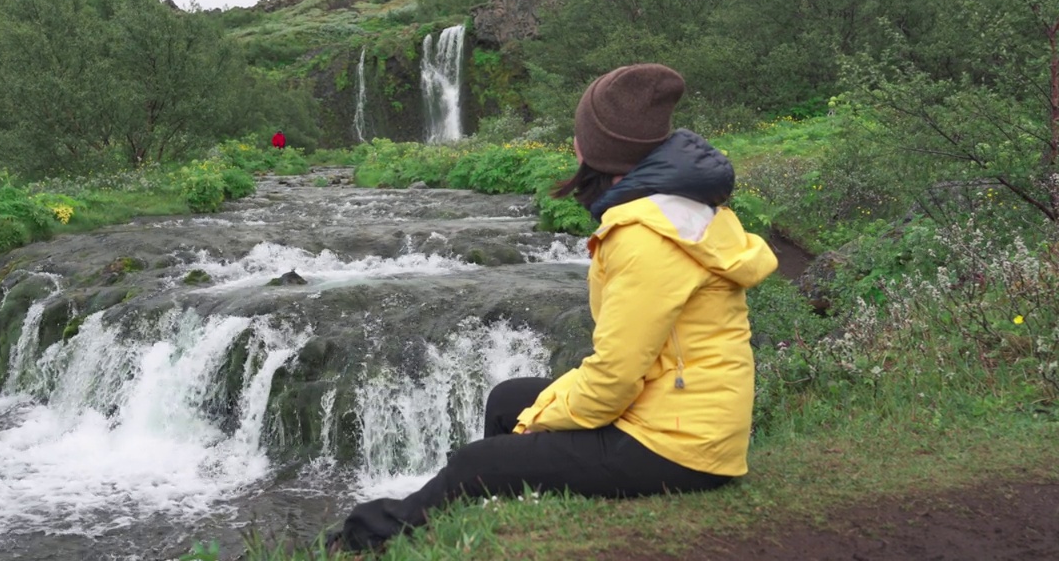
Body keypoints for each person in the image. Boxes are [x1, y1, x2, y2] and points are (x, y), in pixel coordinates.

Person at [324, 63, 778, 553]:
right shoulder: (674, 209)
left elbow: (615, 379)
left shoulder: (647, 238)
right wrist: (535, 415)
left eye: (579, 132)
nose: (573, 142)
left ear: (602, 150)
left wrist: (538, 422)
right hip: (677, 415)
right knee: (506, 398)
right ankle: (499, 518)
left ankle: (369, 538)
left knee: (476, 463)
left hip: (678, 447)